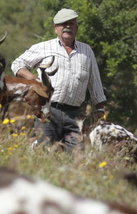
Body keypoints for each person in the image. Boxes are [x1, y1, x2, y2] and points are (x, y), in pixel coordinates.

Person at [11, 8, 106, 151]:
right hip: (48, 111)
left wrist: (100, 109)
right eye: (63, 24)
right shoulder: (44, 47)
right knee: (46, 152)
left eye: (72, 23)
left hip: (75, 114)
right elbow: (17, 64)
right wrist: (34, 79)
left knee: (78, 156)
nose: (68, 27)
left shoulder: (86, 51)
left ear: (76, 28)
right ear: (56, 28)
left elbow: (95, 82)